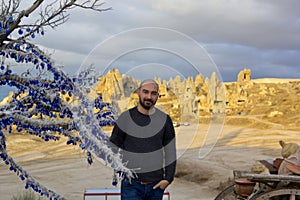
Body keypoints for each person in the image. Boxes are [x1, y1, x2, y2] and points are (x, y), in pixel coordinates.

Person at [109, 79, 177, 200]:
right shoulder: (125, 118)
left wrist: (168, 179)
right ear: (139, 92)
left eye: (153, 93)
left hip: (156, 187)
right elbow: (112, 147)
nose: (149, 97)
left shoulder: (165, 120)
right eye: (145, 92)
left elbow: (170, 152)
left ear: (157, 96)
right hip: (131, 186)